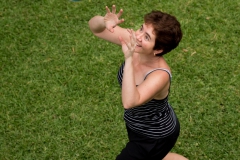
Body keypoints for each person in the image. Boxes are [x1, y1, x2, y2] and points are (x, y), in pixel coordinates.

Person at [89, 5, 188, 160]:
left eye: (147, 37)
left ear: (159, 49)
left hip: (155, 135)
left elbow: (129, 101)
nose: (139, 36)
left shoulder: (160, 75)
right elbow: (96, 29)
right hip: (136, 125)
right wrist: (104, 21)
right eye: (141, 29)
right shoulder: (136, 43)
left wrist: (128, 59)